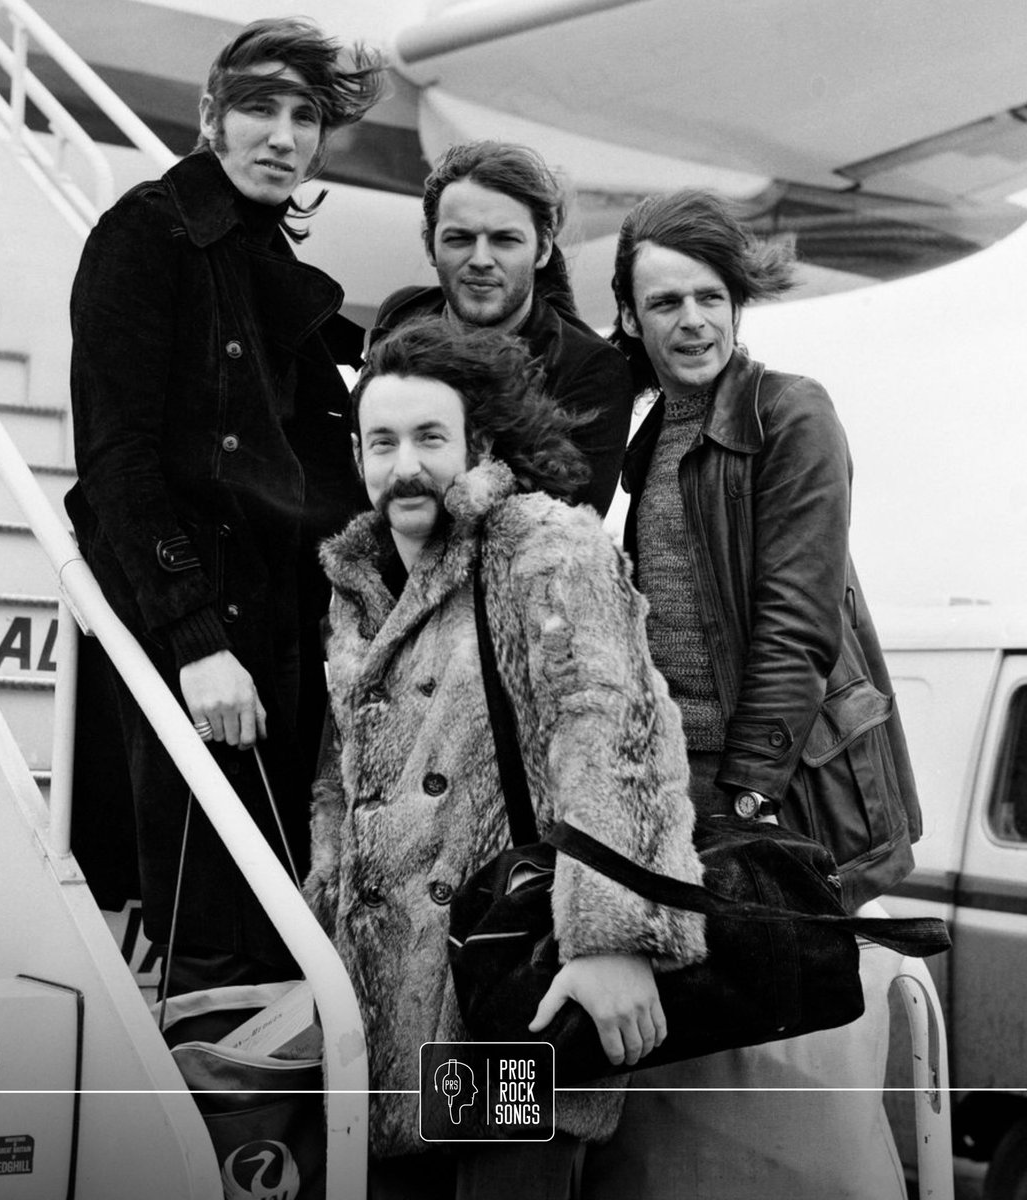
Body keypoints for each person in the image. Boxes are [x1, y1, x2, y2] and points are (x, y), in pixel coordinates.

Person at [304, 317, 706, 1199]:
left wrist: (611, 941)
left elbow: (616, 738)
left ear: (478, 442)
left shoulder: (541, 547)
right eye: (382, 442)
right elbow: (342, 786)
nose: (404, 464)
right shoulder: (360, 587)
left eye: (429, 438)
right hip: (381, 1015)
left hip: (506, 1002)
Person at [580, 189, 923, 1198]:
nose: (689, 320)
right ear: (632, 322)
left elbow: (795, 624)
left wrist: (748, 800)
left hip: (787, 794)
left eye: (707, 296)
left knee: (801, 1086)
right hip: (682, 793)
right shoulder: (650, 442)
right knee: (703, 1086)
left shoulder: (790, 410)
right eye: (662, 304)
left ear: (739, 303)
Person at [65, 17, 384, 996]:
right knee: (212, 923)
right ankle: (226, 1142)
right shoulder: (148, 233)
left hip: (287, 618)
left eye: (305, 115)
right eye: (259, 107)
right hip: (205, 621)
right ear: (212, 115)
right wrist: (196, 637)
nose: (283, 134)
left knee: (280, 920)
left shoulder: (266, 264)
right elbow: (115, 456)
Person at [369, 141, 632, 516]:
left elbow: (565, 531)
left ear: (542, 250)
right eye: (459, 238)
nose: (480, 260)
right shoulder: (402, 315)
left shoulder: (590, 369)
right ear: (430, 245)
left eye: (505, 240)